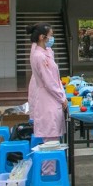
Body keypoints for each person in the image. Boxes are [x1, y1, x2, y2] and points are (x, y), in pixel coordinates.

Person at [27, 22, 67, 175]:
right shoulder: (38, 56)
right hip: (48, 101)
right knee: (50, 142)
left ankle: (50, 172)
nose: (52, 38)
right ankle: (48, 175)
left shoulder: (44, 51)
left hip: (50, 100)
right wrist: (62, 99)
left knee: (52, 139)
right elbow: (50, 82)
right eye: (50, 36)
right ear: (42, 37)